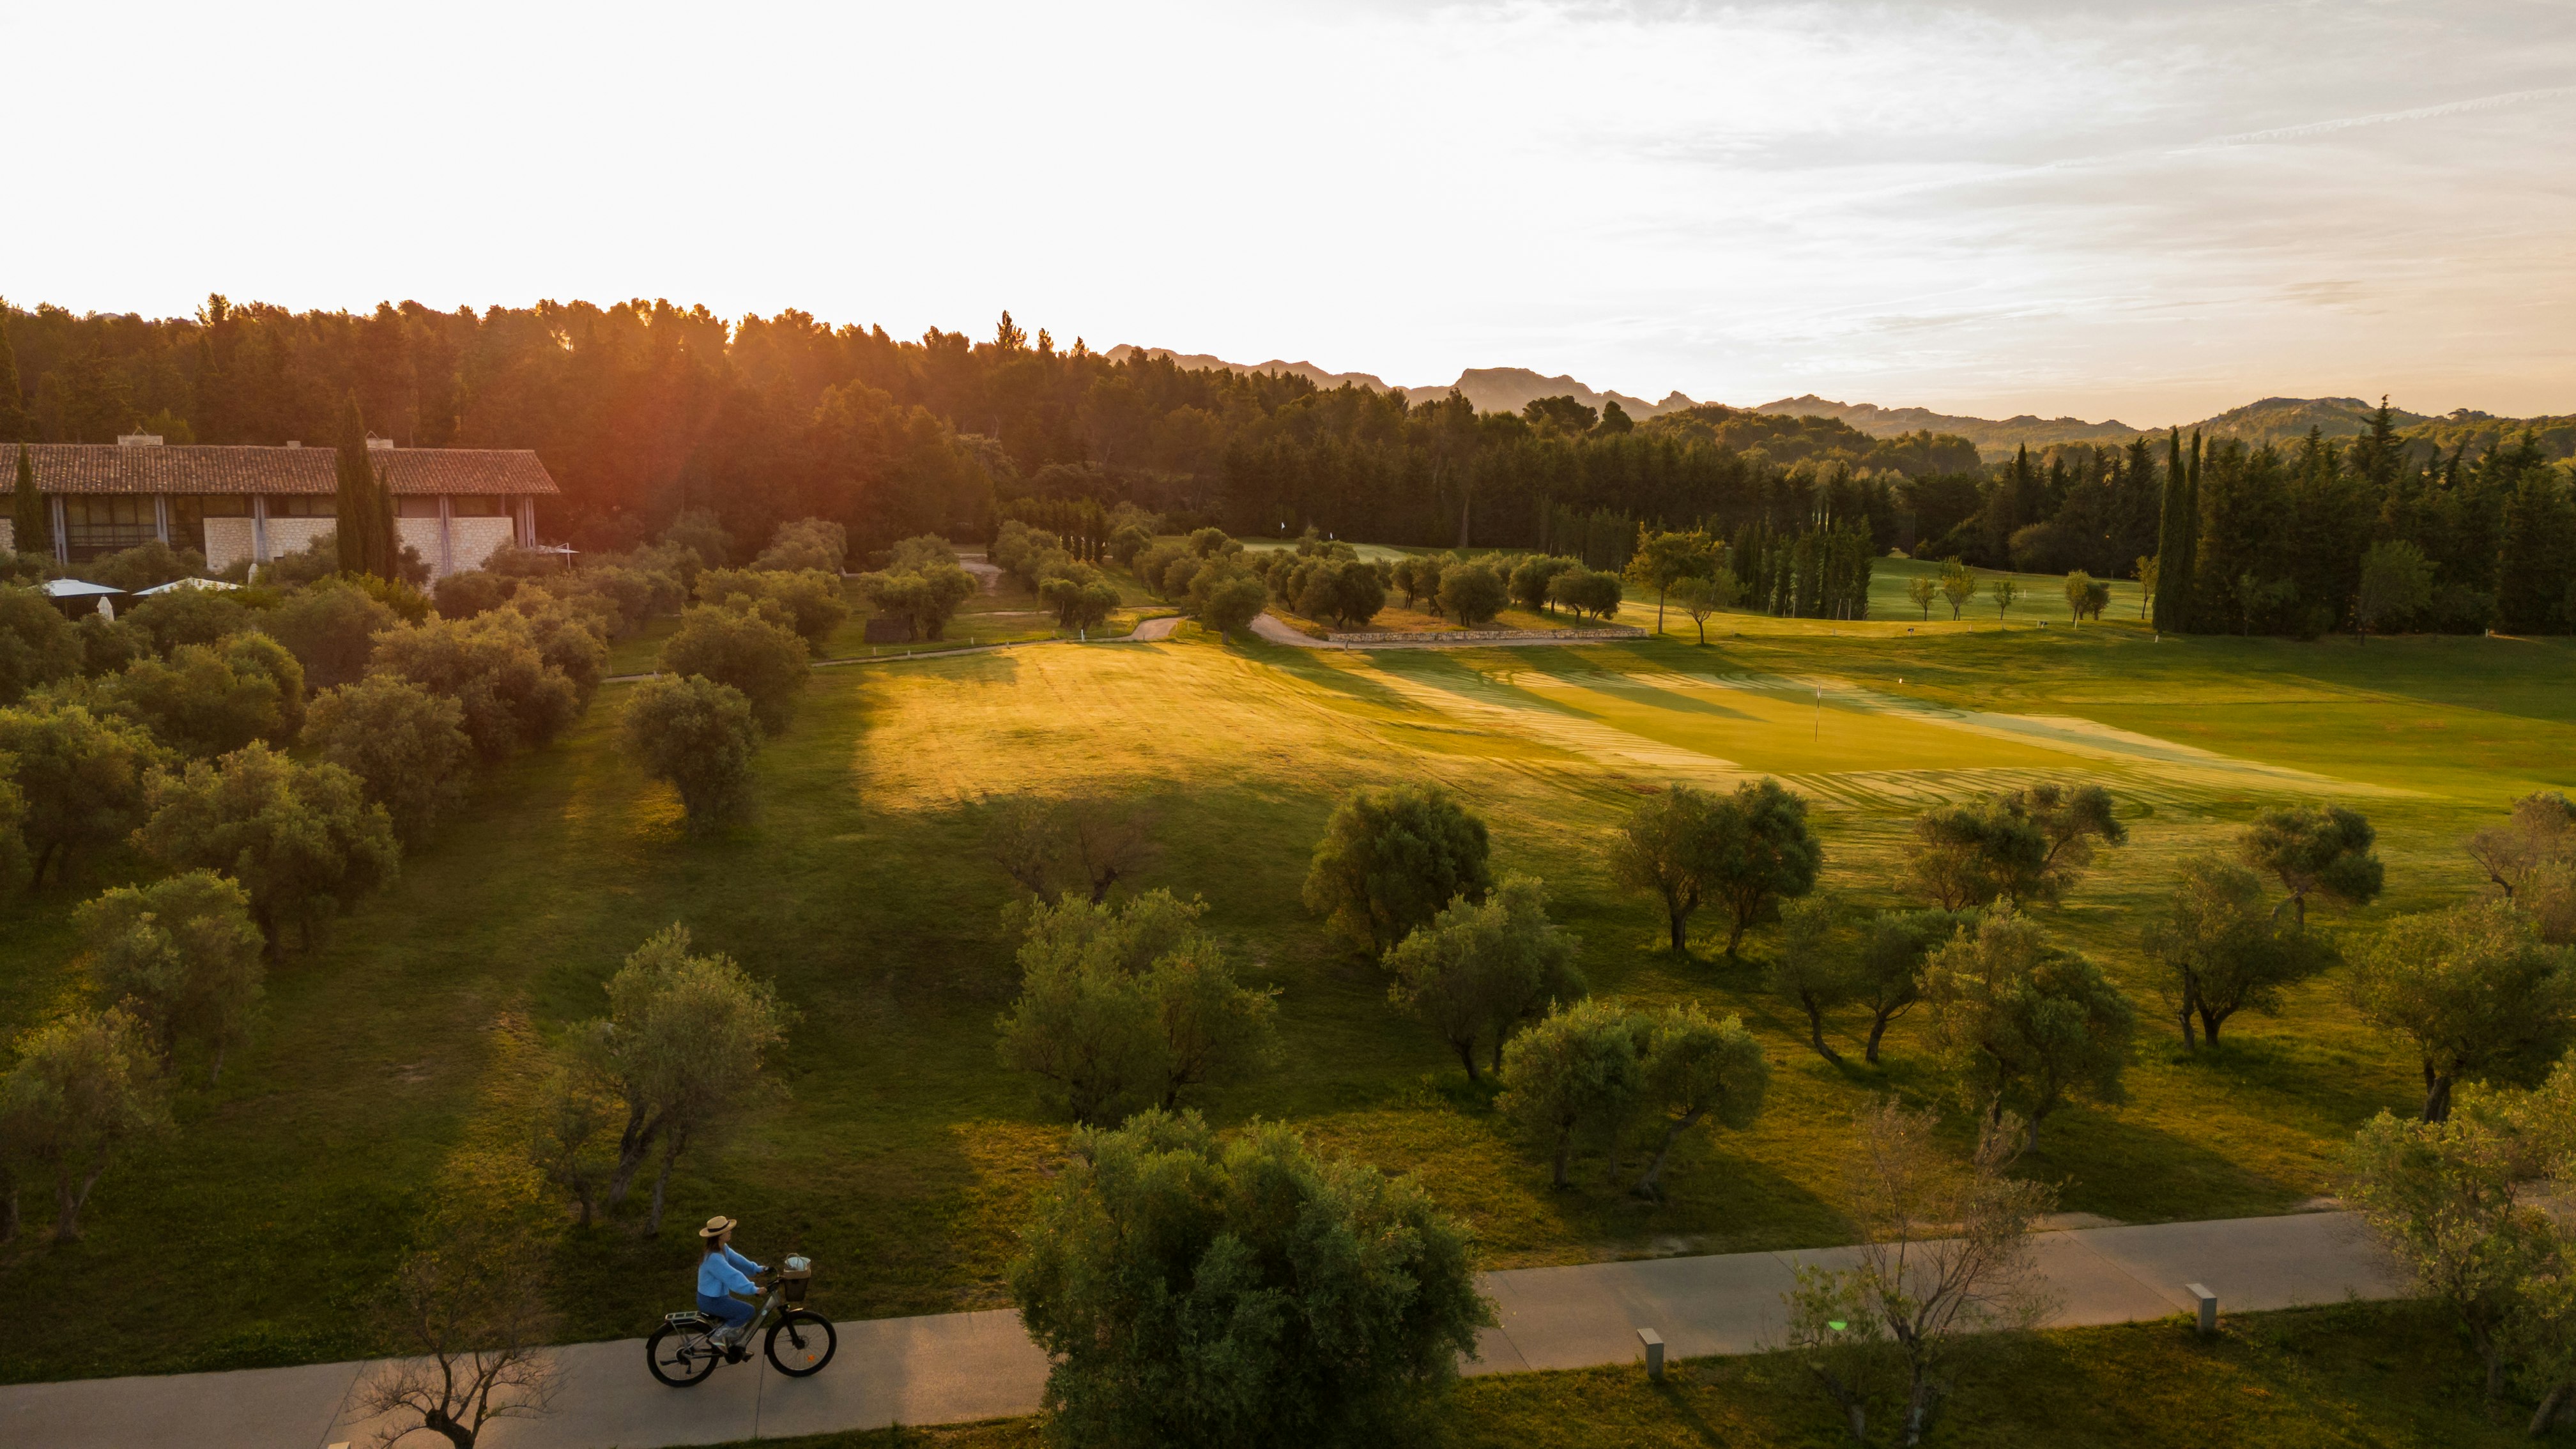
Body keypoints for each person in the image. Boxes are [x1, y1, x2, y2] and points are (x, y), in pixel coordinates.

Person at [696, 1215, 767, 1346]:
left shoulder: (723, 1248)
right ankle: (717, 1338)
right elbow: (732, 1276)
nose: (730, 1231)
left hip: (717, 1298)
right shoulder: (714, 1258)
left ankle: (730, 1342)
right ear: (720, 1235)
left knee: (739, 1312)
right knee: (747, 1311)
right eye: (727, 1230)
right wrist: (754, 1289)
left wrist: (758, 1269)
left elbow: (739, 1261)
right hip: (711, 1302)